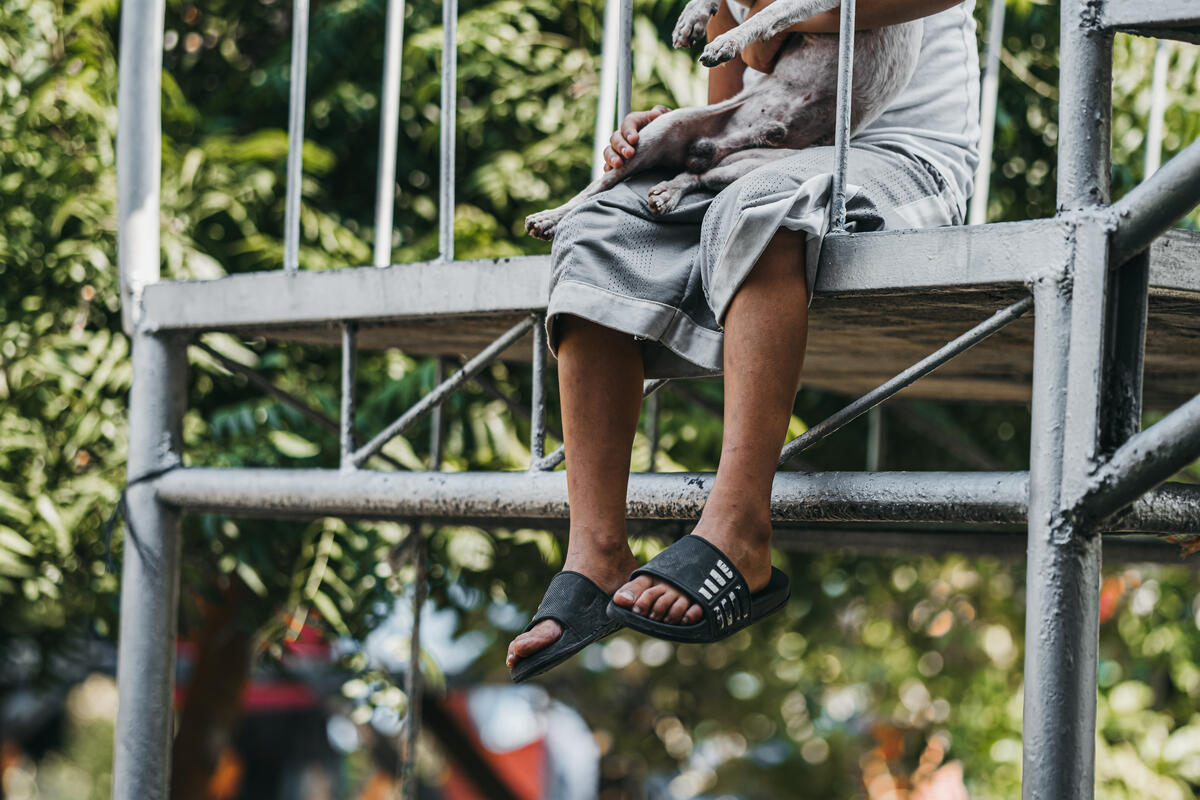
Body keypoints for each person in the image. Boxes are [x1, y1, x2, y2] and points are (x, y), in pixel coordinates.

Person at [508, 0, 980, 681]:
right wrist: (683, 132)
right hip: (772, 147)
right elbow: (739, 62)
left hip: (904, 161)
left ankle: (740, 528)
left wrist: (766, 20)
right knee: (600, 228)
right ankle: (596, 551)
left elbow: (796, 25)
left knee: (758, 202)